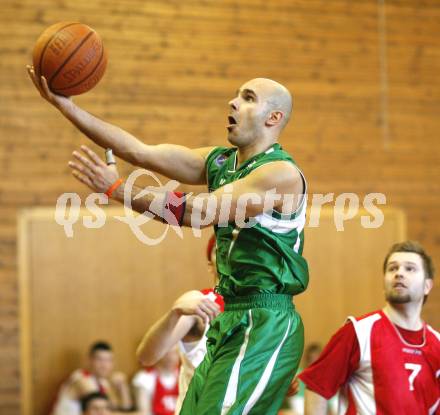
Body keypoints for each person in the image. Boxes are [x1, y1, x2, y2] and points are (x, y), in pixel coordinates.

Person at [28, 69, 309, 414]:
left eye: (248, 97)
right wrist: (67, 107)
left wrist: (117, 189)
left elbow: (194, 212)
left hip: (265, 318)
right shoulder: (221, 162)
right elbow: (139, 151)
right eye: (237, 94)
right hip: (230, 313)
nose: (233, 101)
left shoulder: (279, 174)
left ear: (274, 117)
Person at [289, 241, 440, 414]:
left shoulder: (437, 344)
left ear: (427, 286)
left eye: (410, 268)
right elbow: (317, 387)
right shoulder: (358, 331)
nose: (399, 273)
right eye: (392, 268)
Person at [136, 236, 224, 414]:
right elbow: (146, 357)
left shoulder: (261, 311)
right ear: (210, 265)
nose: (226, 254)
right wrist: (174, 314)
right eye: (218, 249)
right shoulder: (200, 304)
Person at [51, 341, 132, 415]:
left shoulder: (103, 382)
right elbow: (106, 411)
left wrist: (123, 387)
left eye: (108, 360)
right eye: (100, 360)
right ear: (90, 360)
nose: (104, 365)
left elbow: (124, 408)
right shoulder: (81, 378)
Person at [132, 348, 180, 415]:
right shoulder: (144, 378)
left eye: (175, 353)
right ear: (157, 354)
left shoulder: (187, 376)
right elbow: (144, 412)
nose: (171, 357)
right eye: (167, 353)